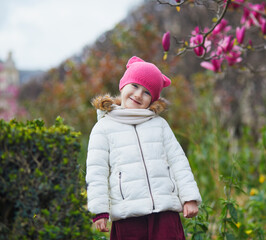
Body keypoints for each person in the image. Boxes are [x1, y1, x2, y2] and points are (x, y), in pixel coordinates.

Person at [86, 56, 202, 239]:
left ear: (153, 99)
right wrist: (99, 210)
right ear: (123, 85)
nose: (139, 94)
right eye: (135, 86)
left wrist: (189, 198)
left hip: (165, 213)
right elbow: (97, 172)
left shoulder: (160, 125)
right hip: (128, 215)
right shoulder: (103, 128)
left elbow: (179, 162)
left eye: (147, 92)